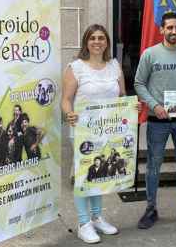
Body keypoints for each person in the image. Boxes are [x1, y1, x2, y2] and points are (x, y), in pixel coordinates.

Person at [62, 24, 133, 243]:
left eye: (101, 38)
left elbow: (122, 95)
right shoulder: (76, 67)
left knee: (100, 173)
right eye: (92, 38)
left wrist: (132, 107)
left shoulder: (114, 66)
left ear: (107, 43)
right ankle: (83, 223)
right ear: (86, 42)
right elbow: (65, 99)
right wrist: (69, 114)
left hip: (108, 130)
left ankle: (97, 217)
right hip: (83, 131)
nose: (97, 41)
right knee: (84, 176)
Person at [134, 12, 176, 229]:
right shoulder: (150, 54)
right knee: (153, 165)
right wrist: (154, 105)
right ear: (161, 30)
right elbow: (138, 83)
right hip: (157, 120)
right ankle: (151, 208)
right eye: (169, 28)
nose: (174, 31)